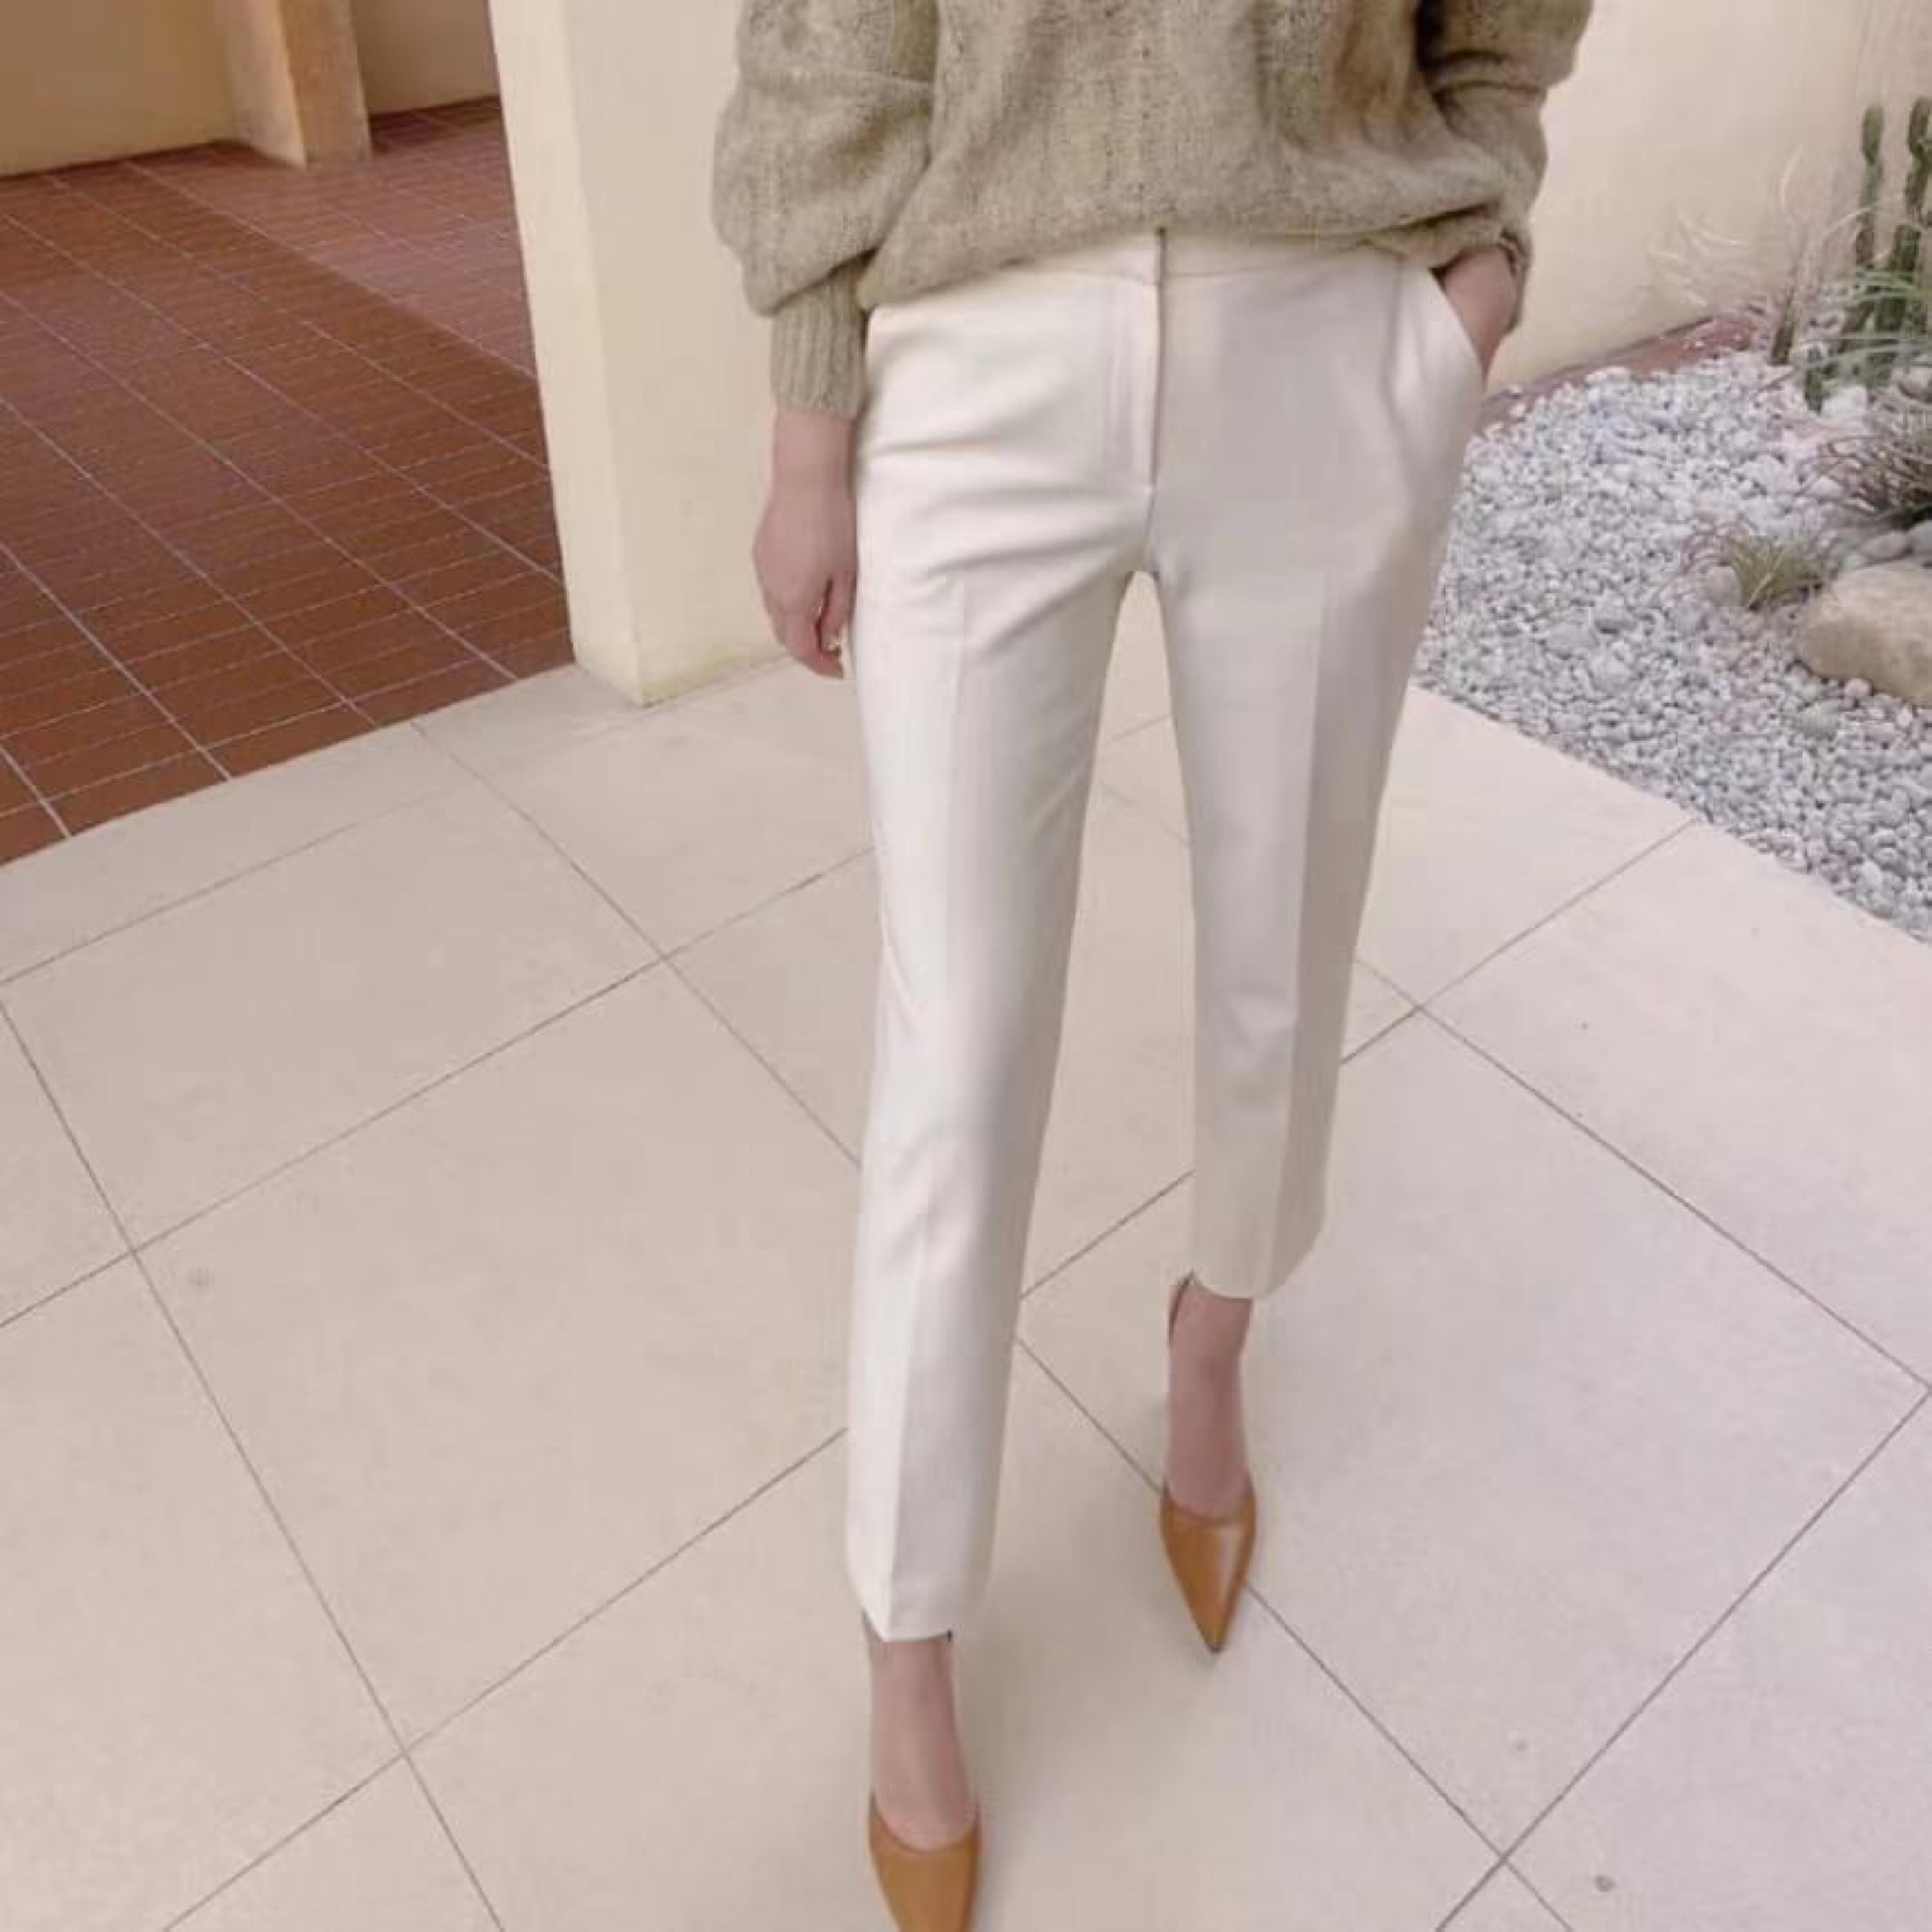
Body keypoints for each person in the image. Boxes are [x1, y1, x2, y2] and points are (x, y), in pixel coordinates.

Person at [713, 4, 1591, 1925]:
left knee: (1287, 947)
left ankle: (1212, 1343)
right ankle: (908, 1635)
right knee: (958, 1047)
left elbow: (1505, 29)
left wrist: (1478, 286)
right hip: (978, 350)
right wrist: (808, 424)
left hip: (1320, 334)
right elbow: (832, 28)